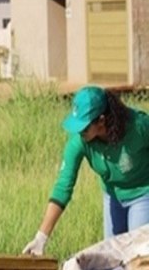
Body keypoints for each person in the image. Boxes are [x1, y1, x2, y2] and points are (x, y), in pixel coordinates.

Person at [23, 85, 149, 255]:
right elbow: (63, 186)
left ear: (102, 120)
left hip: (143, 193)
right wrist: (41, 238)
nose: (79, 132)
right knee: (113, 257)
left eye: (84, 127)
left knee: (138, 255)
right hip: (112, 195)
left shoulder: (138, 126)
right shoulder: (79, 141)